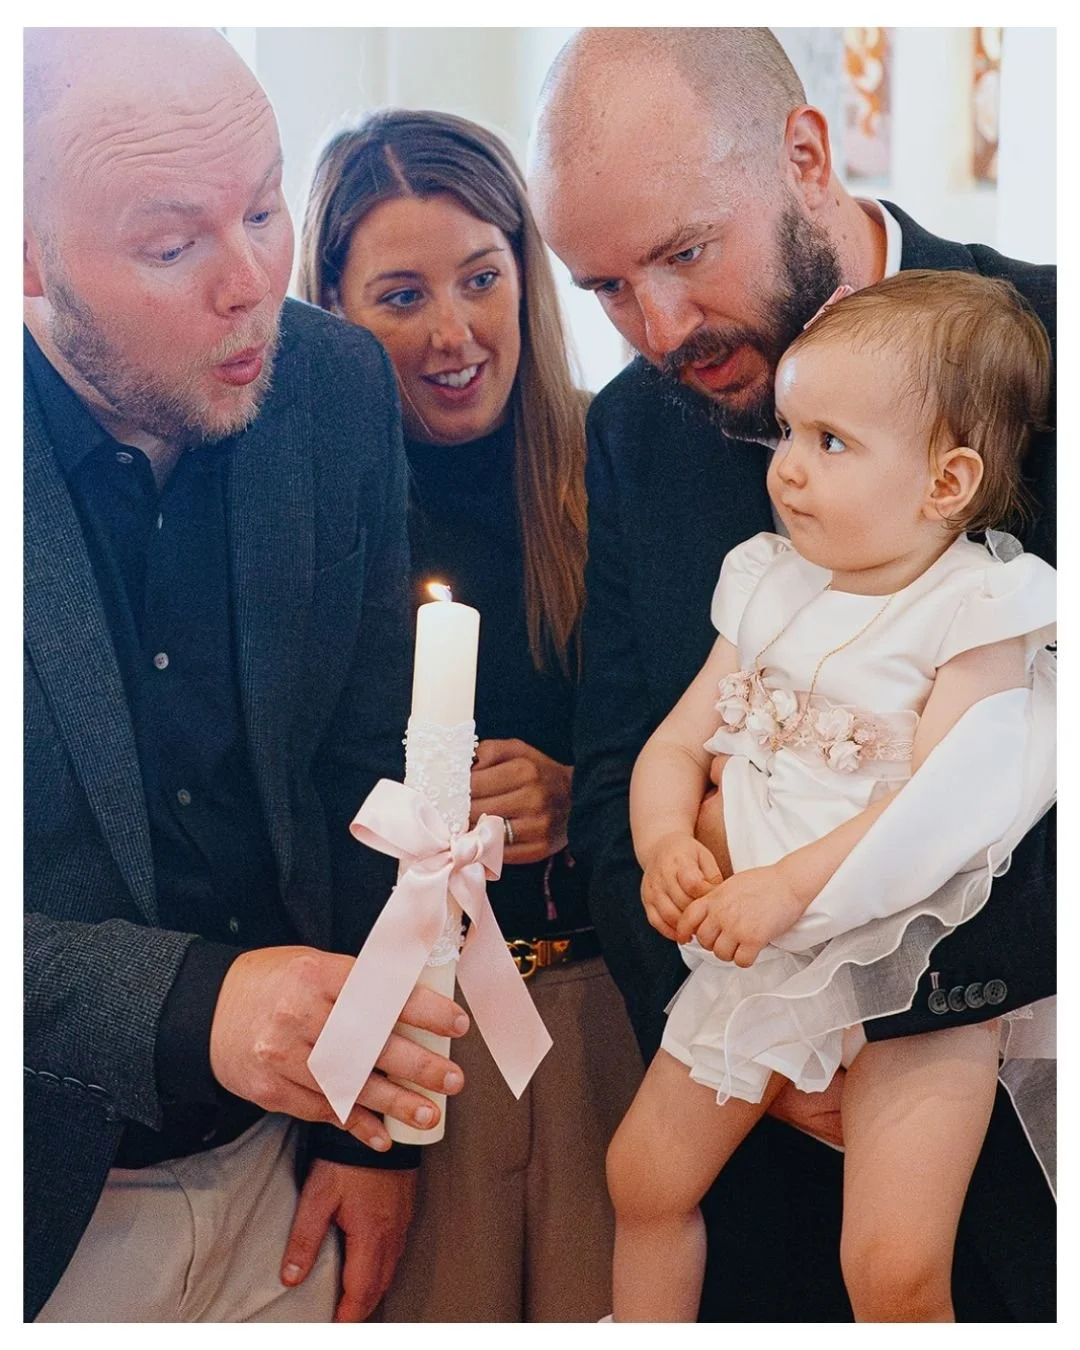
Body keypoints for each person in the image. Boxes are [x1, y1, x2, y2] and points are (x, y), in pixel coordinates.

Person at [529, 27, 1056, 1322]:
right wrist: (743, 1014)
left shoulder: (1045, 344)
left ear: (805, 156)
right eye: (602, 287)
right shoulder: (632, 426)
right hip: (741, 1165)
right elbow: (615, 778)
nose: (654, 329)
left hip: (1008, 1185)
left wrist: (887, 1028)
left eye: (683, 254)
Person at [24, 28, 473, 1324]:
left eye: (266, 210)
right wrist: (193, 1004)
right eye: (172, 246)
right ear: (33, 255)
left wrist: (371, 1138)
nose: (251, 286)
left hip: (289, 1171)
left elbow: (373, 764)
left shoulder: (332, 384)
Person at [609, 271, 1054, 1322]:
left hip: (913, 969)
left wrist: (783, 891)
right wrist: (666, 840)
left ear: (946, 484)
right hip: (761, 952)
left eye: (832, 443)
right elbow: (672, 744)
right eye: (790, 434)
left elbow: (942, 810)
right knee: (641, 1181)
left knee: (892, 1267)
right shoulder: (767, 583)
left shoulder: (982, 613)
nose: (789, 472)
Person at [297, 108, 642, 1322]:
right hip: (399, 1038)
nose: (453, 332)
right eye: (400, 296)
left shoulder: (614, 471)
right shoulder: (308, 522)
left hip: (605, 1020)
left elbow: (708, 745)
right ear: (329, 312)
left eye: (481, 278)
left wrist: (579, 796)